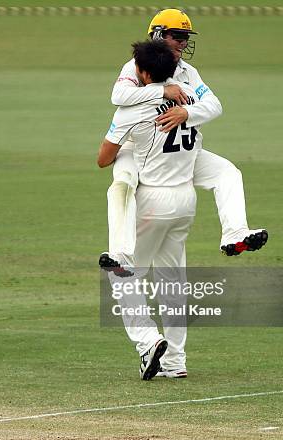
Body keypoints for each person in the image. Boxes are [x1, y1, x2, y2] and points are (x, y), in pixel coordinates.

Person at [100, 8, 267, 278]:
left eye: (185, 37)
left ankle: (235, 234)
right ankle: (120, 253)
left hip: (180, 149)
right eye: (177, 36)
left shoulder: (189, 72)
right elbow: (118, 95)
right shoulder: (134, 66)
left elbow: (214, 105)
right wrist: (162, 90)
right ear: (157, 34)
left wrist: (186, 112)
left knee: (227, 173)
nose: (183, 43)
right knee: (122, 186)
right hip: (135, 146)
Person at [98, 40, 203, 380]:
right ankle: (175, 362)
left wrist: (125, 150)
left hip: (152, 201)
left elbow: (103, 159)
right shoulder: (188, 98)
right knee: (173, 281)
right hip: (186, 199)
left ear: (142, 73)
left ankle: (147, 342)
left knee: (123, 274)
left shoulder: (133, 107)